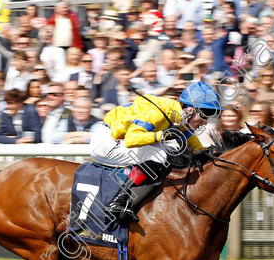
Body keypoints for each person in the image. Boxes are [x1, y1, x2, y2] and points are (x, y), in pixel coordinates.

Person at [90, 81, 219, 221]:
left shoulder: (181, 117)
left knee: (174, 150)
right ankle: (118, 200)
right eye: (204, 115)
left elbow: (191, 143)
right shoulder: (157, 113)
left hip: (119, 140)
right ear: (190, 110)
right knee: (159, 155)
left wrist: (206, 152)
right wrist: (163, 135)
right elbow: (131, 139)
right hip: (105, 141)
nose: (205, 122)